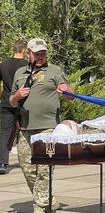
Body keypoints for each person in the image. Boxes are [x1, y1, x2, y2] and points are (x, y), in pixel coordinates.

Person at [9, 38, 74, 213]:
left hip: (48, 128)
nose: (40, 56)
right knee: (28, 169)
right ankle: (48, 198)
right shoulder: (20, 73)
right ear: (28, 54)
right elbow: (12, 101)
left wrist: (66, 90)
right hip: (24, 129)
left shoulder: (54, 71)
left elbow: (71, 95)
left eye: (43, 53)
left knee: (45, 170)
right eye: (37, 53)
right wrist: (17, 96)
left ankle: (39, 207)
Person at [0, 40, 28, 174]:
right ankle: (28, 159)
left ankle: (2, 163)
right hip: (23, 103)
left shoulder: (3, 65)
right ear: (24, 50)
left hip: (6, 103)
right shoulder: (26, 65)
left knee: (5, 133)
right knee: (26, 131)